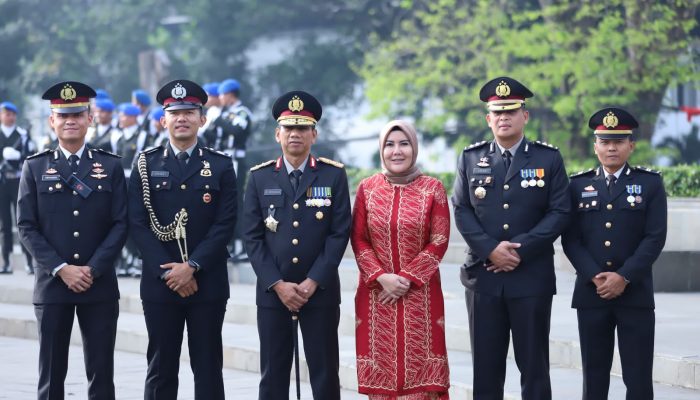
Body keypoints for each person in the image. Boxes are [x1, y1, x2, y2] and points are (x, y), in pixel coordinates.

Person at [451, 76, 571, 400]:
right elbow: (461, 210)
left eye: (511, 110)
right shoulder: (470, 158)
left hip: (530, 277)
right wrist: (491, 250)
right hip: (484, 278)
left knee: (533, 368)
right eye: (497, 112)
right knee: (486, 370)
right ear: (488, 119)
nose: (504, 117)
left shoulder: (548, 159)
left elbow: (560, 211)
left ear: (525, 116)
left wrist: (519, 249)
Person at [17, 81, 127, 399]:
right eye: (63, 115)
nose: (70, 121)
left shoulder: (109, 166)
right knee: (51, 375)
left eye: (77, 114)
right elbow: (26, 226)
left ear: (89, 118)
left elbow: (120, 223)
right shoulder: (35, 167)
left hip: (99, 284)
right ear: (52, 120)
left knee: (102, 373)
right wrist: (61, 267)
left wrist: (93, 268)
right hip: (53, 285)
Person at [128, 79, 237, 400]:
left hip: (208, 282)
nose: (182, 118)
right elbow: (137, 224)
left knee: (207, 367)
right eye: (174, 113)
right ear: (163, 120)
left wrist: (193, 266)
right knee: (161, 368)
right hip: (160, 284)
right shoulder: (145, 163)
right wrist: (170, 272)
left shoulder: (220, 165)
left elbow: (226, 222)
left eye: (190, 112)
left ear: (202, 119)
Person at [243, 90, 351, 400]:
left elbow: (338, 233)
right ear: (277, 134)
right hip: (273, 293)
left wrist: (312, 281)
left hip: (320, 291)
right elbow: (252, 237)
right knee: (273, 375)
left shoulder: (333, 175)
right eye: (288, 128)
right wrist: (278, 285)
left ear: (314, 134)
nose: (295, 134)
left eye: (303, 128)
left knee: (325, 372)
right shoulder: (260, 178)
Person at [562, 107, 667, 400]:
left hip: (635, 293)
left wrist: (624, 276)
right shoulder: (578, 185)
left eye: (619, 141)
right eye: (605, 141)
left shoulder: (650, 184)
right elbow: (571, 240)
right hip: (591, 293)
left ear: (631, 145)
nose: (612, 148)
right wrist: (596, 276)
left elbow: (655, 237)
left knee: (638, 377)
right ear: (595, 146)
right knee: (594, 378)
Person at [351, 120, 451, 399]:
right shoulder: (367, 188)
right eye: (389, 145)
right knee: (382, 384)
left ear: (414, 148)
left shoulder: (433, 189)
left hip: (420, 297)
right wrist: (382, 277)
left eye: (404, 143)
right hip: (376, 296)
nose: (397, 151)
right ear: (381, 150)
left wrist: (406, 278)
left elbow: (439, 240)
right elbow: (358, 238)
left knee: (423, 384)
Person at [216, 78, 252, 262]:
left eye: (222, 95)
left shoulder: (242, 112)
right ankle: (229, 243)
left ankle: (241, 245)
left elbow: (238, 130)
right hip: (222, 159)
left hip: (236, 160)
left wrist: (219, 119)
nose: (220, 98)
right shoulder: (224, 112)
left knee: (236, 201)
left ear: (230, 95)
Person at [0, 101, 36, 274]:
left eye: (13, 114)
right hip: (1, 182)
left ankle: (28, 262)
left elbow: (31, 155)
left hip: (18, 181)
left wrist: (19, 156)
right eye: (7, 113)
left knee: (23, 221)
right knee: (4, 224)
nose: (10, 117)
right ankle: (6, 262)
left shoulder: (22, 134)